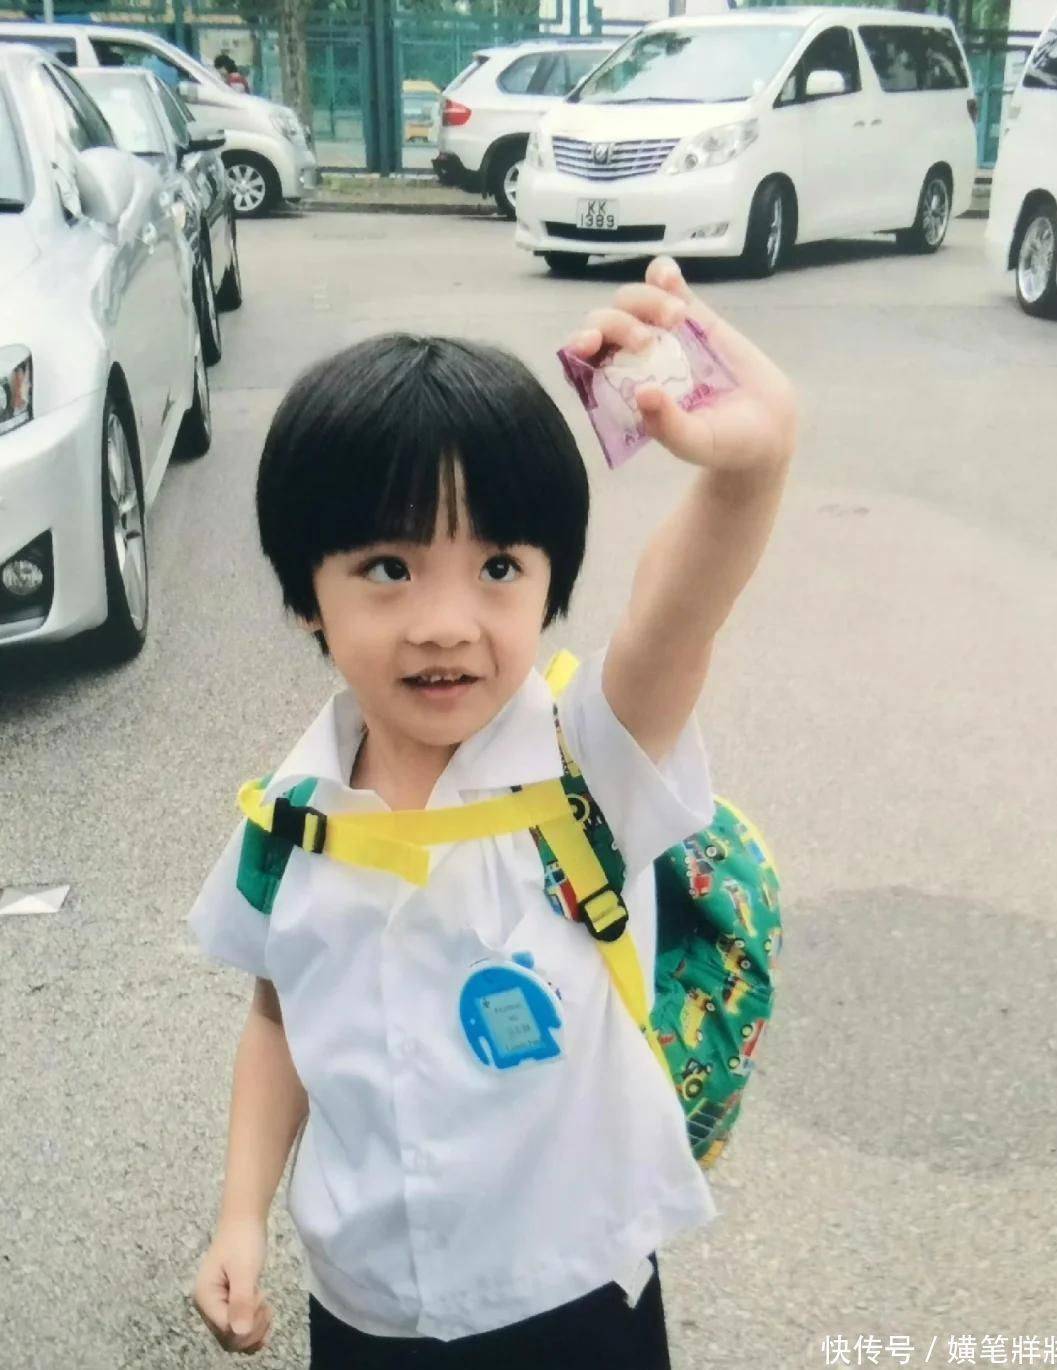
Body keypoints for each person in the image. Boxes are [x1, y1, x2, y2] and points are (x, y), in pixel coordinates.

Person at [188, 256, 797, 1367]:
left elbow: (678, 613)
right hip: (366, 1303)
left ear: (551, 581)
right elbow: (279, 1017)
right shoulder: (287, 818)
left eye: (500, 566)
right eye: (388, 566)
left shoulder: (587, 765)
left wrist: (750, 472)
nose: (446, 622)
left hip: (574, 1294)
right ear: (303, 592)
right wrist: (241, 1216)